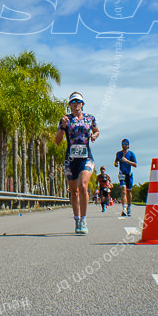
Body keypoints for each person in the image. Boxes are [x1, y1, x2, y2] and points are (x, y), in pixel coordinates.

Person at [54, 92, 99, 234]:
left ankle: (84, 220)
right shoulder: (65, 119)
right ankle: (77, 219)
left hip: (86, 157)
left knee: (83, 186)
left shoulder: (90, 118)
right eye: (73, 101)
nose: (76, 104)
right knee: (74, 191)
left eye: (78, 101)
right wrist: (63, 127)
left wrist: (94, 135)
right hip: (70, 159)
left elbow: (97, 131)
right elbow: (57, 140)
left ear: (83, 104)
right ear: (70, 105)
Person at [114, 138, 137, 218]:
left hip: (129, 174)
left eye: (125, 144)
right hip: (121, 174)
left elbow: (135, 164)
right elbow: (115, 162)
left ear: (128, 145)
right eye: (122, 144)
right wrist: (116, 164)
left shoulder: (131, 154)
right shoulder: (118, 154)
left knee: (128, 192)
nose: (124, 146)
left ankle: (129, 207)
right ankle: (123, 209)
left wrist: (127, 161)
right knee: (123, 190)